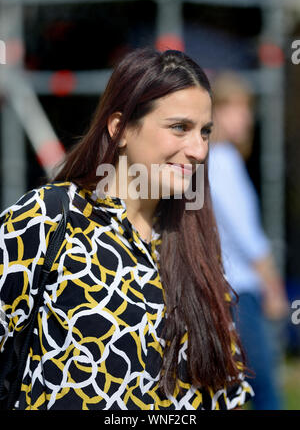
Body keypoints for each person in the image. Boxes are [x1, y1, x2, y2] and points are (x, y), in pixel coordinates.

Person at [0, 48, 253, 410]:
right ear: (119, 129)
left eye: (206, 132)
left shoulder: (195, 246)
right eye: (180, 127)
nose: (198, 149)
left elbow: (226, 394)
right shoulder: (50, 218)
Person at [208, 71, 289, 410]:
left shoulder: (214, 161)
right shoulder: (221, 161)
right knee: (265, 391)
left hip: (227, 290)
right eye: (235, 108)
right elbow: (247, 236)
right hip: (240, 292)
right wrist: (273, 286)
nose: (245, 117)